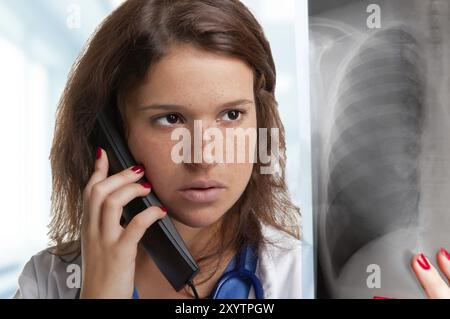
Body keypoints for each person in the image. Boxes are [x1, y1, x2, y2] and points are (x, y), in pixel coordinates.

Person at [13, 0, 309, 299]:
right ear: (111, 134)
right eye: (171, 119)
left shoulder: (306, 275)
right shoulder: (46, 282)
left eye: (231, 115)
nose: (204, 157)